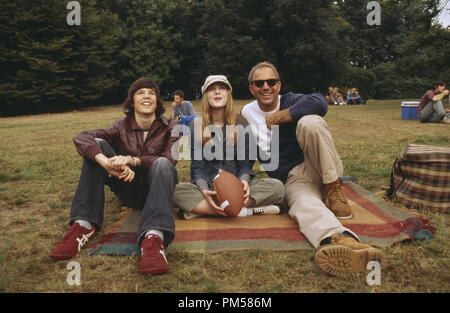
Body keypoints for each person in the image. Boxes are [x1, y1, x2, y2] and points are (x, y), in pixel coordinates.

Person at [241, 61, 382, 277]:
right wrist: (240, 179)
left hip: (320, 163)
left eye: (271, 81)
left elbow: (319, 103)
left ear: (278, 85)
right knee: (302, 204)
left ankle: (333, 189)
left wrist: (282, 116)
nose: (265, 87)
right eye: (259, 83)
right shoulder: (246, 113)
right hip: (294, 177)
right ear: (252, 88)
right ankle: (339, 240)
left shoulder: (290, 100)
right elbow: (247, 152)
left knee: (310, 122)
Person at [50, 78, 180, 275]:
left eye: (151, 93)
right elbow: (82, 137)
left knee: (162, 163)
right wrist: (107, 163)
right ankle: (84, 225)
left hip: (158, 189)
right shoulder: (120, 126)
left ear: (158, 101)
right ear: (132, 101)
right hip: (127, 187)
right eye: (140, 92)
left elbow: (171, 159)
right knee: (98, 145)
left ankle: (153, 239)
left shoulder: (172, 126)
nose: (146, 96)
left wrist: (131, 160)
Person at [173, 75, 284, 219]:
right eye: (212, 89)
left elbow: (245, 165)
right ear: (206, 96)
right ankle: (242, 211)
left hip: (235, 186)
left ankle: (203, 210)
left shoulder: (242, 124)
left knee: (277, 187)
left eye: (222, 88)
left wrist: (243, 182)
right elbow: (197, 168)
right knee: (174, 191)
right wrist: (205, 191)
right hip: (208, 187)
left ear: (228, 95)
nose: (217, 92)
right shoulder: (196, 126)